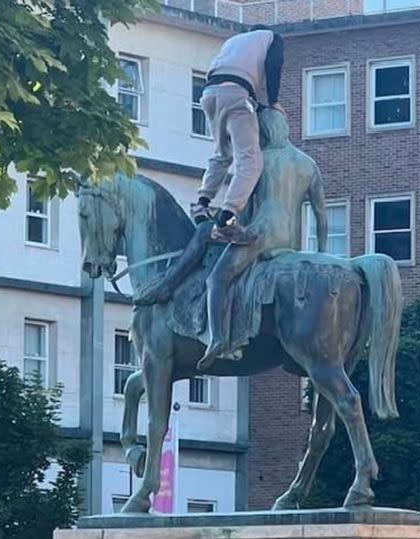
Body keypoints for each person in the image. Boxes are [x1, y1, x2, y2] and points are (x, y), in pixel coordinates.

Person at [136, 109, 328, 371]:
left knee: (218, 278)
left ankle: (219, 339)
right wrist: (322, 253)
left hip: (262, 235)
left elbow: (245, 212)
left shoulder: (259, 161)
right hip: (289, 240)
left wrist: (217, 223)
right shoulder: (308, 163)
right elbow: (321, 214)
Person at [190, 24, 285, 244]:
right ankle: (227, 218)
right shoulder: (272, 38)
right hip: (236, 93)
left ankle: (202, 204)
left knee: (222, 153)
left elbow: (231, 76)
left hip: (209, 94)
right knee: (250, 160)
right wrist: (274, 102)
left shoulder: (234, 42)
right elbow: (274, 66)